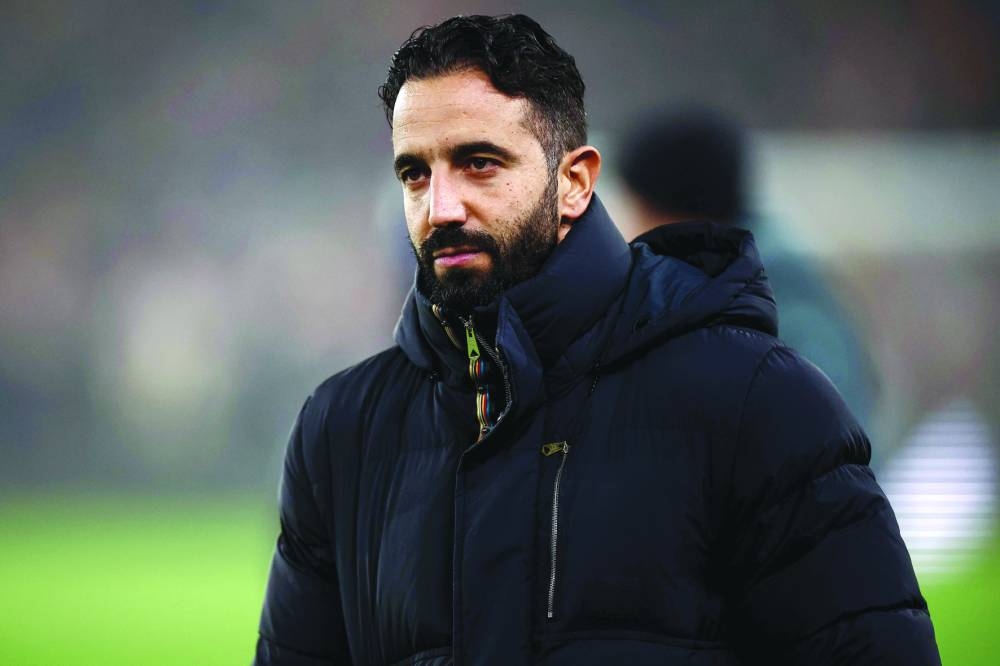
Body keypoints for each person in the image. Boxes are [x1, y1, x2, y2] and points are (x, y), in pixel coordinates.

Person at [254, 14, 939, 666]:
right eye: (415, 172)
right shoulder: (341, 430)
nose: (441, 207)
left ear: (575, 182)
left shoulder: (757, 400)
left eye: (480, 163)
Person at [617, 107, 881, 443]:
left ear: (675, 215)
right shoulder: (727, 278)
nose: (630, 232)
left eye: (640, 213)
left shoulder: (775, 294)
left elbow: (829, 428)